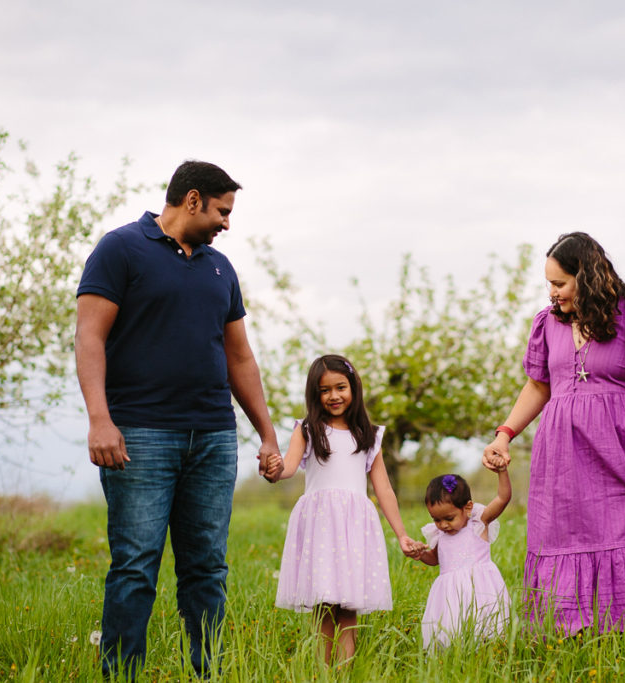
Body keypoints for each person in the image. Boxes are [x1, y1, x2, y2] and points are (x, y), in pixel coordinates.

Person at [74, 160, 280, 678]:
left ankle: (205, 672)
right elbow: (89, 336)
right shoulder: (120, 248)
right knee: (136, 566)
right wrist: (100, 419)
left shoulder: (220, 268)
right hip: (139, 435)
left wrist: (267, 433)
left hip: (212, 436)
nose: (227, 224)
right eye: (222, 211)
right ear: (192, 199)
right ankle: (121, 674)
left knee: (207, 568)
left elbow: (240, 357)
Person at [482, 232, 625, 635]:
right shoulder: (548, 323)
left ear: (586, 277)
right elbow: (539, 386)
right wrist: (504, 433)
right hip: (562, 461)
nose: (552, 293)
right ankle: (569, 635)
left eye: (559, 283)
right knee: (564, 539)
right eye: (549, 285)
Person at [265, 354, 421, 664]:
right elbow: (289, 466)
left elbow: (384, 488)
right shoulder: (308, 429)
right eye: (325, 390)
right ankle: (325, 671)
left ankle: (344, 673)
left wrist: (402, 534)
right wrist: (274, 468)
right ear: (315, 394)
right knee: (324, 606)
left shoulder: (369, 434)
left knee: (348, 608)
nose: (334, 396)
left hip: (354, 527)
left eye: (341, 387)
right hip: (320, 525)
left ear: (354, 388)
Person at [415, 471, 512, 649]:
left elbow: (502, 498)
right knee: (451, 631)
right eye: (436, 519)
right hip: (450, 595)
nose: (443, 525)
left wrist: (502, 472)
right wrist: (420, 554)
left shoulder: (478, 523)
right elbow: (434, 559)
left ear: (467, 508)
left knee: (485, 629)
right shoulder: (440, 535)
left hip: (480, 591)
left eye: (449, 518)